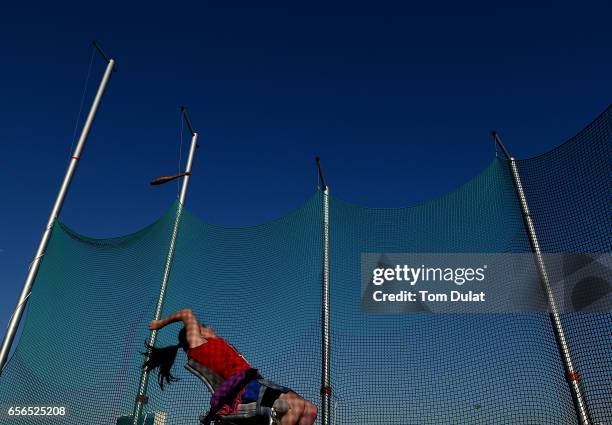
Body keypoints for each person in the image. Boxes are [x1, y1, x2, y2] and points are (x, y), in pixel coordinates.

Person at [143, 308, 318, 425]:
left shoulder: (216, 345)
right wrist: (160, 323)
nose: (211, 328)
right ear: (197, 333)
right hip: (245, 389)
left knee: (310, 410)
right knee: (296, 407)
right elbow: (187, 313)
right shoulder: (198, 346)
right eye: (206, 327)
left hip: (256, 383)